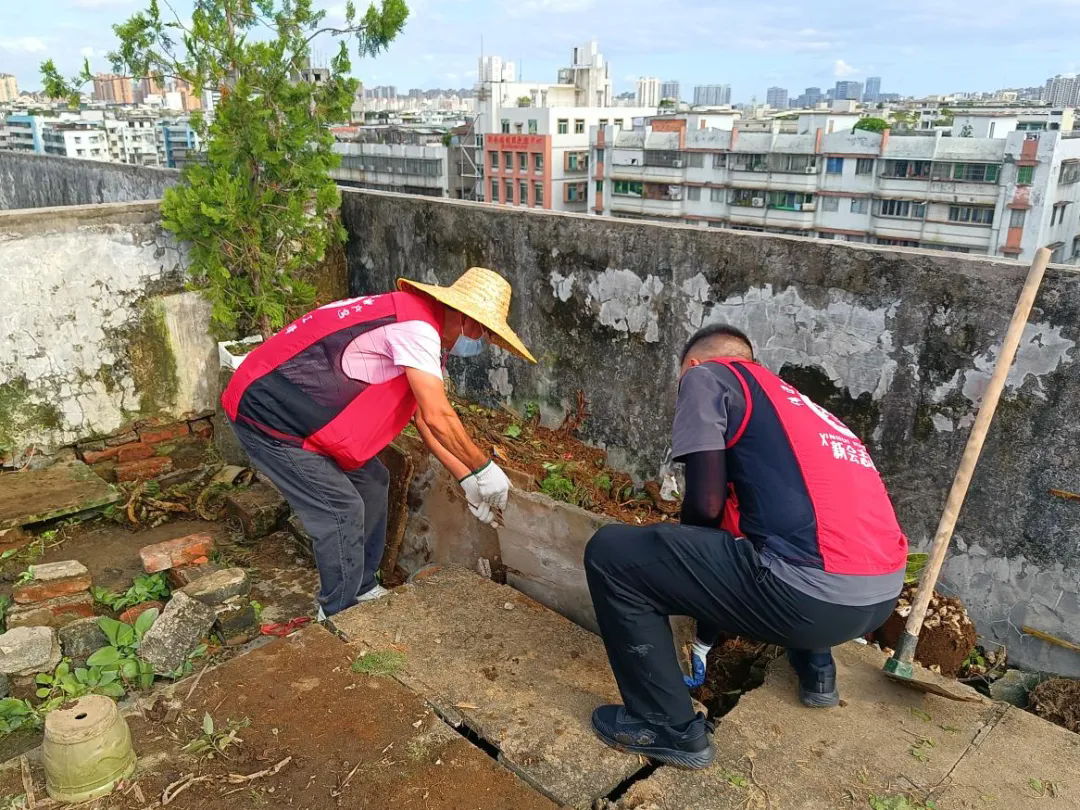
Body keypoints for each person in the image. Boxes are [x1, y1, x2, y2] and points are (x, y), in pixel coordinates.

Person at [584, 323, 907, 769]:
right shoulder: (804, 409)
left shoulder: (707, 375)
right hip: (878, 598)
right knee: (805, 537)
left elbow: (706, 504)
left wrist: (695, 604)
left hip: (810, 599)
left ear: (694, 365)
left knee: (612, 554)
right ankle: (817, 673)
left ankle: (667, 727)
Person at [222, 267, 535, 619]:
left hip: (303, 413)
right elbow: (438, 416)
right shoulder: (415, 329)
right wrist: (483, 467)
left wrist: (466, 480)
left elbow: (421, 418)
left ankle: (363, 585)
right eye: (482, 332)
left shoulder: (421, 325)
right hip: (268, 416)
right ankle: (338, 613)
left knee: (373, 481)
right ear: (466, 318)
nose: (480, 341)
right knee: (340, 509)